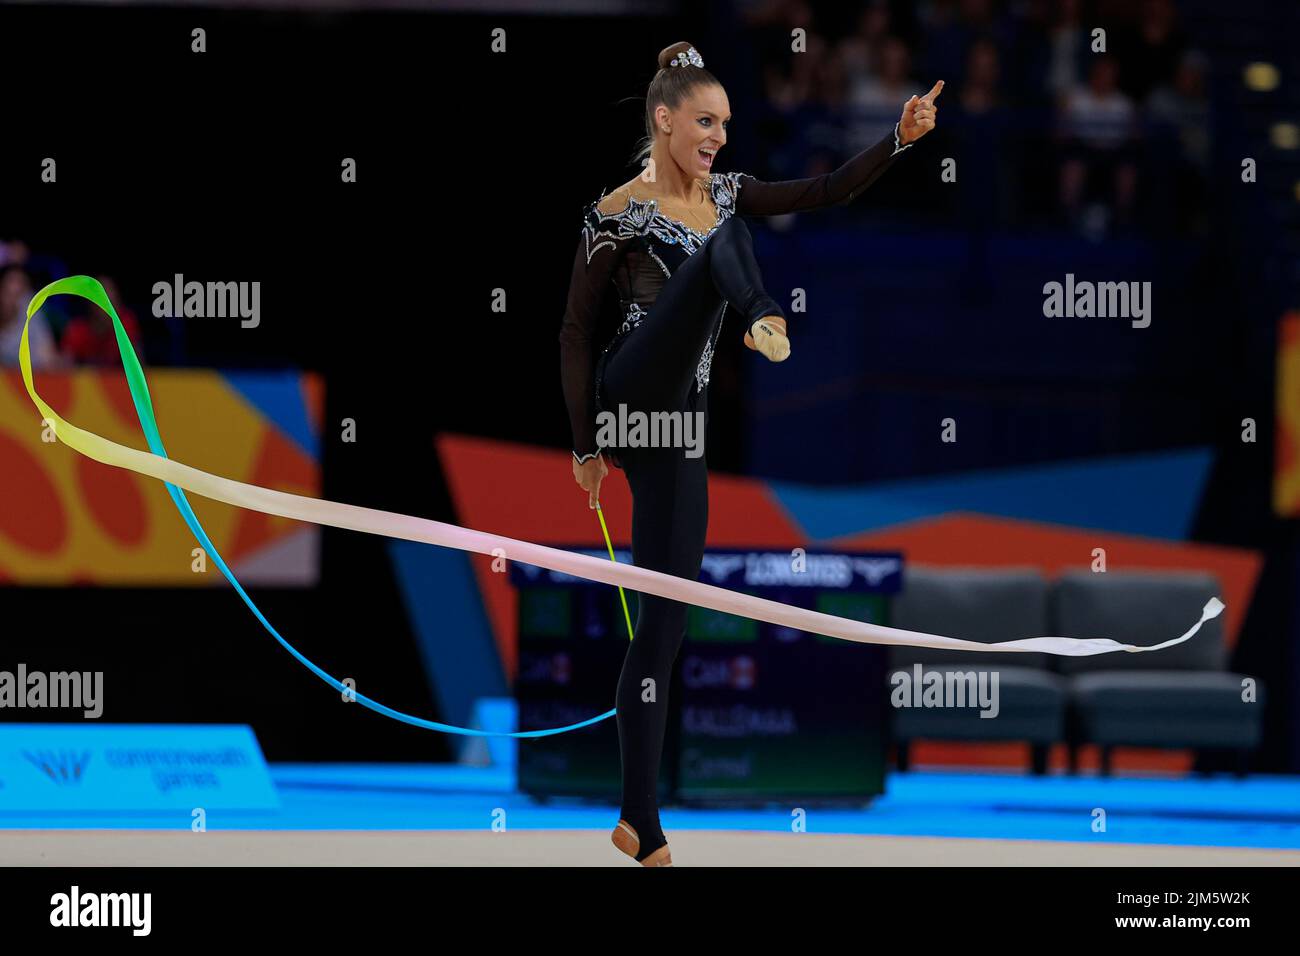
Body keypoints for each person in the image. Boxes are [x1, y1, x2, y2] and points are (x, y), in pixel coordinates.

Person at [557, 40, 941, 865]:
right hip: (631, 396)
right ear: (664, 121)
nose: (719, 138)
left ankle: (638, 823)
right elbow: (576, 332)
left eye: (726, 124)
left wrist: (901, 139)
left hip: (680, 431)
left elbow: (829, 190)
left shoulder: (729, 192)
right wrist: (587, 443)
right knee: (720, 244)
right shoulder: (618, 209)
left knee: (661, 629)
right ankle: (764, 314)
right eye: (705, 121)